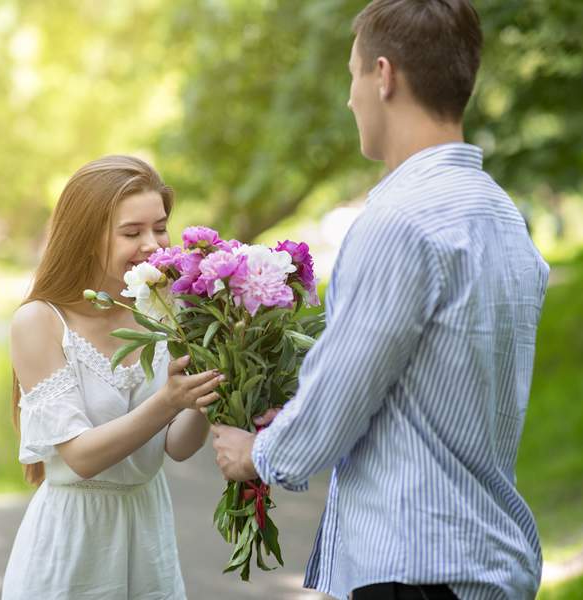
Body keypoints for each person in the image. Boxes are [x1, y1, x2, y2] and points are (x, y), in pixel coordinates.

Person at [210, 1, 549, 599]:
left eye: (353, 74)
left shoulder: (398, 220)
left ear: (384, 76)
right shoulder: (502, 215)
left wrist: (260, 454)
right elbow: (423, 387)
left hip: (416, 565)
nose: (349, 97)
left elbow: (343, 391)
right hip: (489, 565)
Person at [2, 155, 223, 599]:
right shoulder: (40, 322)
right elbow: (81, 457)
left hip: (146, 535)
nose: (153, 244)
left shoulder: (164, 310)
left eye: (160, 228)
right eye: (131, 232)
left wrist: (212, 381)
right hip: (74, 548)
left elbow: (177, 446)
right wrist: (168, 401)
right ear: (86, 237)